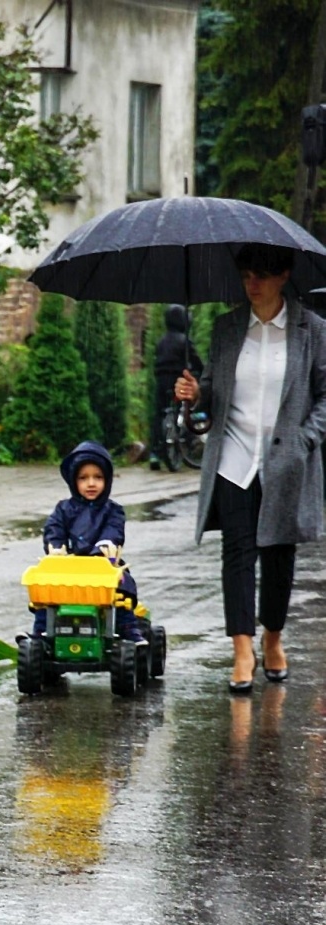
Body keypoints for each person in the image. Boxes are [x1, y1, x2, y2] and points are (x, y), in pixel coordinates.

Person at [174, 243, 326, 691]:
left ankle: (272, 638)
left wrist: (304, 440)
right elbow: (211, 391)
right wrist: (194, 395)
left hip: (285, 462)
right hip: (234, 458)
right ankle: (242, 649)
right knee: (237, 553)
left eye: (260, 275)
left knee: (278, 555)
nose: (252, 283)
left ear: (283, 276)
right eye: (245, 276)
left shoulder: (312, 329)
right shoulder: (227, 328)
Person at [35, 441, 142, 641]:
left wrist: (103, 548)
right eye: (83, 478)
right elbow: (54, 529)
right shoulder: (63, 509)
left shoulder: (113, 510)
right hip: (70, 565)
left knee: (122, 589)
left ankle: (129, 631)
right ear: (73, 481)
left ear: (107, 480)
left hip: (104, 563)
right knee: (45, 592)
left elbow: (114, 531)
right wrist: (56, 548)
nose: (91, 483)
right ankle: (41, 634)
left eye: (98, 477)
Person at [150, 304, 203, 470]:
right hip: (178, 380)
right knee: (188, 408)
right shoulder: (184, 340)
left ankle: (154, 453)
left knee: (160, 414)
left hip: (161, 380)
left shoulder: (161, 341)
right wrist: (202, 373)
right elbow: (196, 361)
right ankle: (190, 439)